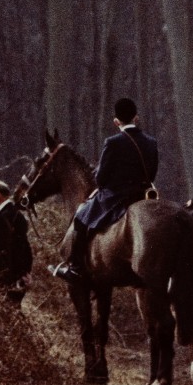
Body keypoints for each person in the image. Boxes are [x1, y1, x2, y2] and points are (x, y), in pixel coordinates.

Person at [52, 97, 160, 281]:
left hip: (116, 196)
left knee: (80, 217)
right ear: (137, 118)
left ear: (116, 121)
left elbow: (100, 179)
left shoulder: (113, 142)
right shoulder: (151, 142)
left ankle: (76, 268)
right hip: (143, 195)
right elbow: (152, 173)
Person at [0, 179, 33, 292]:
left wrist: (20, 274)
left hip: (10, 274)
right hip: (19, 272)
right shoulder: (14, 212)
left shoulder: (4, 216)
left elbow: (16, 247)